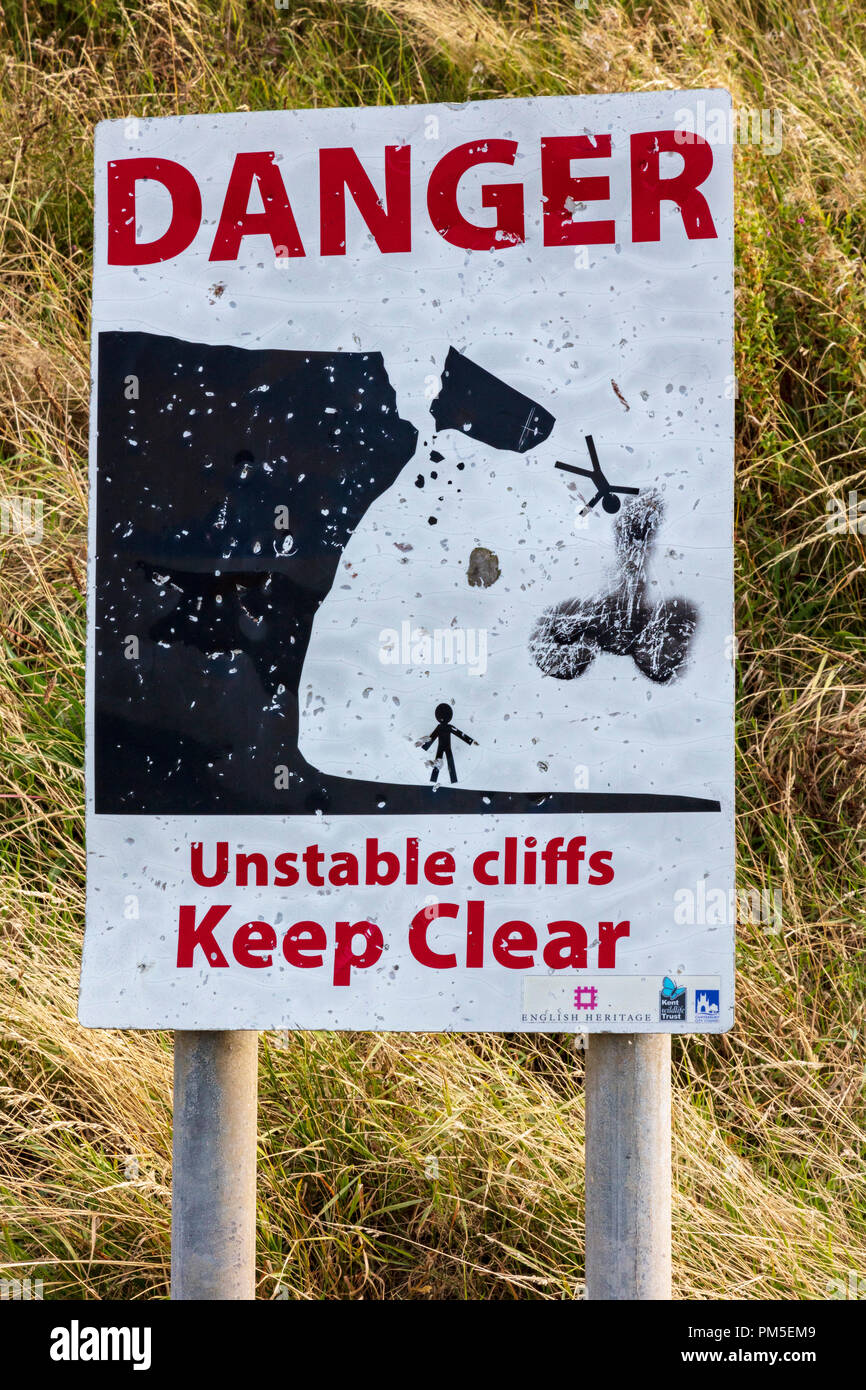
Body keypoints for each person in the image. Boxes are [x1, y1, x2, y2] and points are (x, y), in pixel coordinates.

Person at [418, 703, 478, 784]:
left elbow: (434, 736)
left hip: (442, 746)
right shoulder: (448, 727)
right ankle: (452, 779)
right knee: (449, 761)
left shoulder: (441, 727)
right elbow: (458, 733)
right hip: (446, 746)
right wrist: (470, 741)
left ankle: (435, 778)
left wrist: (426, 747)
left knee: (440, 761)